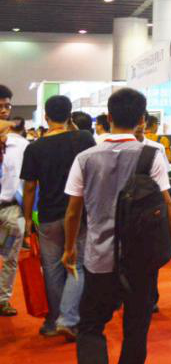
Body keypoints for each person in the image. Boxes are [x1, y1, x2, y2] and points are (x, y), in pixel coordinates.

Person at [62, 87, 171, 364]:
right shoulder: (151, 155)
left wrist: (69, 248)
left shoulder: (85, 158)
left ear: (108, 117)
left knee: (91, 324)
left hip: (99, 258)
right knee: (136, 328)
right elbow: (168, 205)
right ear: (142, 119)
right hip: (140, 258)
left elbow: (73, 211)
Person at [20, 94, 96, 338]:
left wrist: (28, 219)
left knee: (52, 268)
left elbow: (29, 187)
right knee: (77, 264)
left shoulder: (34, 148)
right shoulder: (83, 138)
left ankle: (54, 320)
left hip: (48, 214)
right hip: (79, 212)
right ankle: (69, 318)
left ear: (46, 117)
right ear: (70, 116)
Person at [0, 83, 28, 317]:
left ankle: (2, 299)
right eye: (0, 106)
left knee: (10, 257)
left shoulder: (21, 145)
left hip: (10, 211)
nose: (4, 110)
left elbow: (28, 183)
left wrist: (28, 216)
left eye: (7, 106)